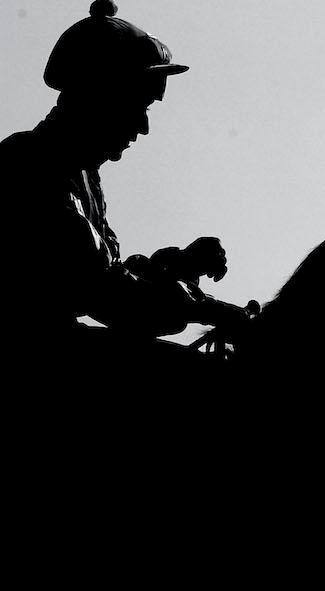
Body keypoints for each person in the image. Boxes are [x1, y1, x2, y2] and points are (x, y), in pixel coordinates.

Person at [1, 0, 250, 374]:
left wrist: (175, 266)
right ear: (100, 95)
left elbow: (108, 272)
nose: (144, 127)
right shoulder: (31, 168)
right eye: (140, 104)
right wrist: (203, 305)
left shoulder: (83, 177)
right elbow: (114, 300)